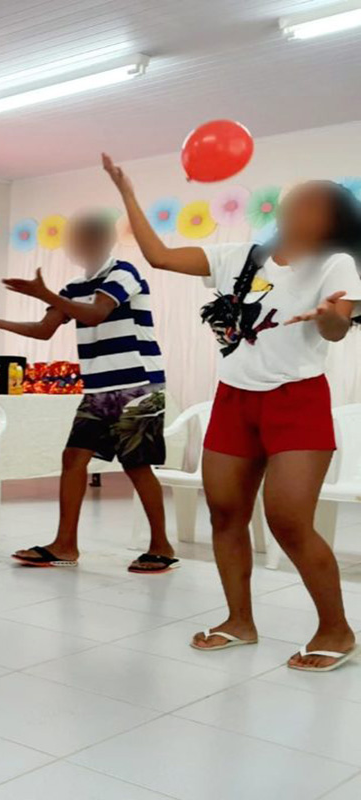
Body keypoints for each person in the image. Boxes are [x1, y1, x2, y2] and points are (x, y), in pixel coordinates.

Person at [104, 152, 361, 672]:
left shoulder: (335, 263)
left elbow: (336, 329)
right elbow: (159, 256)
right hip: (234, 398)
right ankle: (238, 621)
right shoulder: (240, 255)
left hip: (297, 398)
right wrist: (127, 193)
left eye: (309, 199)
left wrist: (332, 317)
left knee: (288, 518)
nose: (294, 203)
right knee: (225, 512)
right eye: (293, 197)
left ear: (330, 218)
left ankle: (336, 628)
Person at [0, 212, 176, 573]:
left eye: (83, 239)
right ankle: (65, 545)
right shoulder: (74, 287)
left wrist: (45, 293)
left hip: (137, 384)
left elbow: (95, 313)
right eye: (74, 241)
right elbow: (44, 329)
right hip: (98, 388)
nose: (77, 246)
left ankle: (162, 547)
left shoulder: (124, 272)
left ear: (101, 241)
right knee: (73, 458)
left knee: (136, 465)